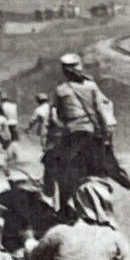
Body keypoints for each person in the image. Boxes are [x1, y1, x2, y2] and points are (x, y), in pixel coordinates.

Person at [45, 53, 121, 206]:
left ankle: (50, 191)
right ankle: (114, 173)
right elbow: (101, 110)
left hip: (71, 135)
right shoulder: (92, 86)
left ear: (64, 71)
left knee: (51, 161)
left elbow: (56, 117)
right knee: (105, 159)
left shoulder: (60, 90)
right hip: (92, 134)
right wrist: (106, 135)